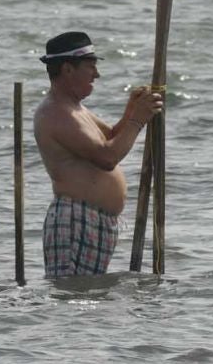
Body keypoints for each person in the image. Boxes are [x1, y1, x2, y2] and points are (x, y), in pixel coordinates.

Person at [33, 31, 163, 277]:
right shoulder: (56, 112)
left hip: (92, 221)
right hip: (76, 221)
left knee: (88, 299)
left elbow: (111, 137)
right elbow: (106, 157)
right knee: (74, 300)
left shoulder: (75, 108)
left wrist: (132, 109)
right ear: (68, 69)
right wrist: (138, 119)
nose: (97, 74)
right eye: (90, 67)